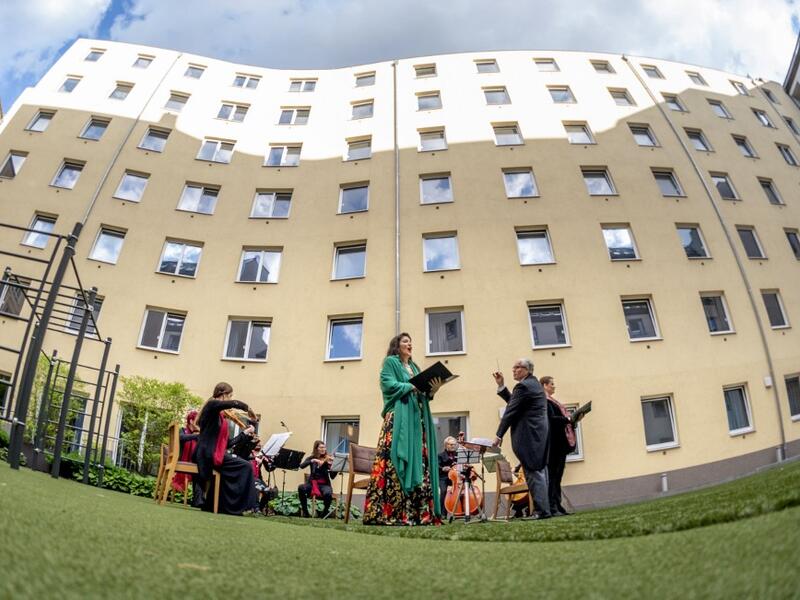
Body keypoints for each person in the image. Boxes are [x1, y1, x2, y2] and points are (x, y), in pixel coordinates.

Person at [363, 332, 443, 525]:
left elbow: (421, 392)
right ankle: (393, 512)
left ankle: (418, 514)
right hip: (398, 418)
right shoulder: (391, 362)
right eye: (405, 341)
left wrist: (433, 390)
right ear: (397, 346)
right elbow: (388, 384)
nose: (410, 344)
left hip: (416, 420)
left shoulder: (415, 367)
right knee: (394, 461)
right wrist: (412, 386)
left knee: (420, 463)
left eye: (411, 341)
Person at [492, 359, 551, 519]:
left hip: (529, 435)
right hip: (539, 434)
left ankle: (541, 511)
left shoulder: (523, 386)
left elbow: (510, 411)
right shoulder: (533, 384)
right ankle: (546, 509)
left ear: (527, 370)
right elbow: (515, 403)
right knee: (539, 471)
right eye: (514, 367)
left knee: (533, 471)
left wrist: (498, 435)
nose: (513, 370)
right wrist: (502, 386)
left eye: (517, 367)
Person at [193, 382, 259, 516]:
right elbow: (232, 404)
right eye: (229, 396)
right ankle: (244, 507)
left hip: (212, 453)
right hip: (206, 455)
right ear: (223, 395)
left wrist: (244, 434)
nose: (229, 399)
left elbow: (228, 444)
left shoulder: (218, 416)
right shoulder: (211, 405)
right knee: (246, 466)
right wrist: (248, 408)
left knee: (242, 465)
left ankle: (219, 506)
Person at [541, 376, 576, 516]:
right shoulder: (545, 401)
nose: (554, 386)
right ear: (544, 385)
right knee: (553, 476)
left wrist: (573, 420)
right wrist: (567, 419)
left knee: (558, 476)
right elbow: (551, 419)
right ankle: (552, 506)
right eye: (552, 384)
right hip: (554, 444)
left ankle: (557, 505)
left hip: (559, 444)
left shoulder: (552, 401)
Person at [297, 440, 337, 517]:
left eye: (324, 447)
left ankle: (325, 512)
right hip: (312, 484)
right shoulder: (312, 458)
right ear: (316, 448)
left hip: (324, 484)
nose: (323, 449)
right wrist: (313, 460)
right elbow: (301, 466)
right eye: (321, 447)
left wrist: (335, 468)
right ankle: (305, 512)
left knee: (328, 493)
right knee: (301, 488)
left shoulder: (328, 459)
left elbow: (332, 476)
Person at [173, 409, 204, 507]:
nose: (199, 424)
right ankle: (198, 500)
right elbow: (181, 438)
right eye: (198, 421)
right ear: (191, 421)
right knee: (199, 469)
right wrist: (195, 436)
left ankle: (197, 500)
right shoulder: (183, 430)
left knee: (201, 468)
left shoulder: (198, 434)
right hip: (182, 461)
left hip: (193, 462)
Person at [437, 436, 459, 514]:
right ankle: (442, 513)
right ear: (446, 445)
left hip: (455, 477)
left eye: (454, 444)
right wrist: (443, 468)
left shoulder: (458, 454)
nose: (453, 446)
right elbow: (437, 466)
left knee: (461, 489)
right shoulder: (440, 455)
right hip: (444, 477)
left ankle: (460, 511)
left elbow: (462, 464)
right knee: (443, 491)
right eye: (451, 444)